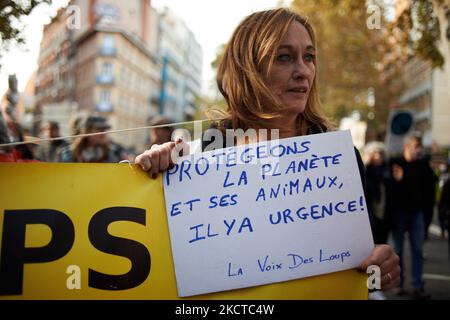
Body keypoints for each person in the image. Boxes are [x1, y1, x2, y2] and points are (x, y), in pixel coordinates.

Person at [135, 8, 400, 293]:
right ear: (248, 68)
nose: (302, 71)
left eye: (309, 57)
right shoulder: (200, 158)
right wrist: (152, 174)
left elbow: (366, 259)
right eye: (284, 57)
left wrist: (380, 265)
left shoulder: (341, 159)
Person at [388, 135, 435, 299]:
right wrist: (398, 181)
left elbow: (430, 190)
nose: (419, 150)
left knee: (418, 250)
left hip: (417, 214)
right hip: (399, 214)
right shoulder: (396, 163)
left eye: (420, 146)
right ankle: (398, 285)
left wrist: (427, 217)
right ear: (407, 147)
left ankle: (418, 285)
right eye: (416, 146)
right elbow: (390, 191)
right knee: (397, 251)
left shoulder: (423, 166)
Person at [59, 115, 128, 163]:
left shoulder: (113, 153)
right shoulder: (68, 153)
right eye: (99, 129)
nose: (103, 133)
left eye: (104, 129)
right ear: (87, 131)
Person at [363, 142, 390, 245]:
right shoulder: (365, 171)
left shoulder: (387, 171)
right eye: (374, 154)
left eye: (380, 153)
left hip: (385, 214)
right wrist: (364, 165)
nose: (377, 156)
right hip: (371, 213)